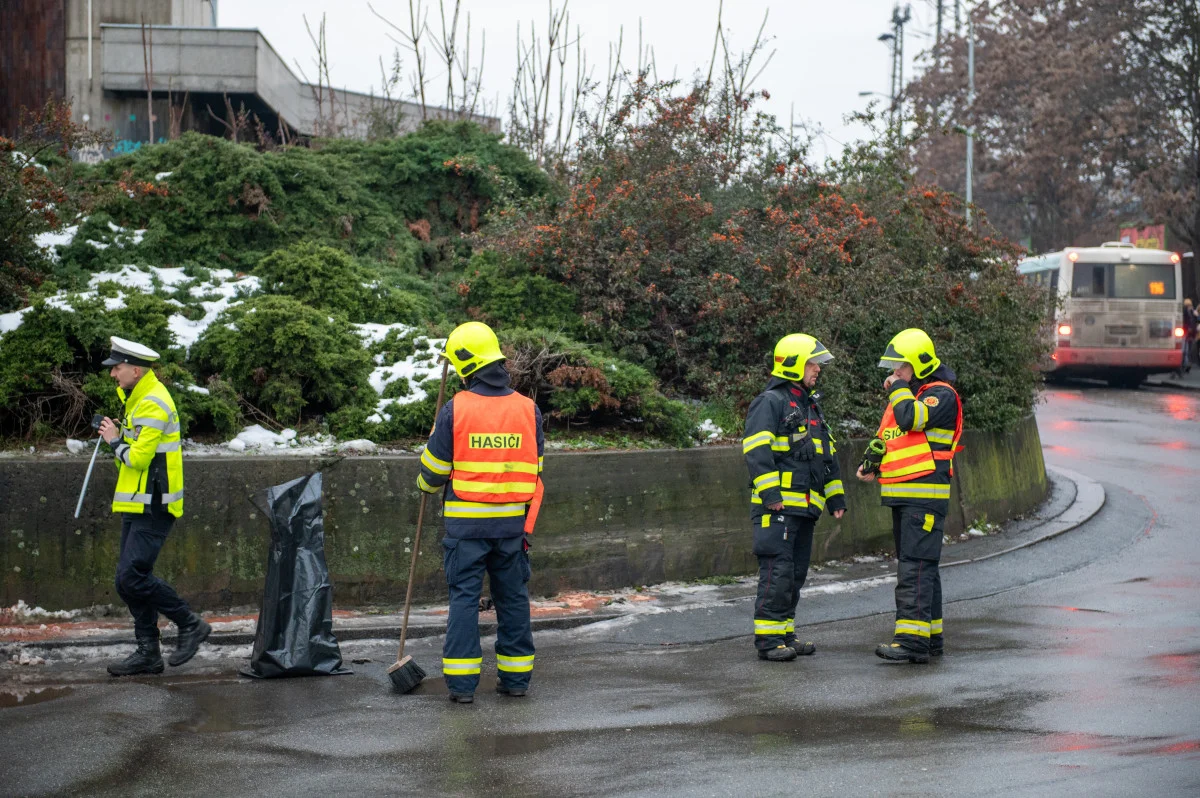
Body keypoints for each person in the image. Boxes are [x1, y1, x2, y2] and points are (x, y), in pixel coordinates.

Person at [417, 322, 543, 703]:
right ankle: (517, 681)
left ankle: (462, 688)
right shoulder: (527, 409)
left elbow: (435, 472)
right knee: (513, 601)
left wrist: (424, 481)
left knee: (464, 601)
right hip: (511, 529)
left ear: (464, 364)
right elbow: (535, 470)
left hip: (466, 532)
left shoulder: (456, 409)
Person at [97, 336, 210, 676]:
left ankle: (190, 624)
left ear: (135, 369)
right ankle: (148, 652)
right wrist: (118, 438)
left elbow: (138, 457)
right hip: (138, 503)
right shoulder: (138, 398)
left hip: (155, 504)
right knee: (126, 580)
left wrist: (114, 440)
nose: (113, 375)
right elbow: (131, 458)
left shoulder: (151, 402)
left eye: (117, 368)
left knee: (132, 576)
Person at [856, 328, 962, 664]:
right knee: (921, 567)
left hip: (924, 497)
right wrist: (872, 463)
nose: (894, 374)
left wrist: (899, 389)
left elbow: (911, 419)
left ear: (917, 365)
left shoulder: (939, 395)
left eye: (900, 368)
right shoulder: (912, 395)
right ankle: (929, 638)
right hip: (905, 497)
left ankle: (911, 642)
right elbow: (892, 438)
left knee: (915, 568)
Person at [742, 334, 847, 662]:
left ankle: (785, 633)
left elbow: (826, 455)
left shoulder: (811, 406)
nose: (817, 369)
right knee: (778, 571)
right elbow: (756, 452)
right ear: (793, 364)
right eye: (812, 363)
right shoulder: (770, 402)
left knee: (795, 573)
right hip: (778, 508)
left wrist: (836, 499)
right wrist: (771, 494)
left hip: (803, 509)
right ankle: (768, 641)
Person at [1182, 299, 1196, 373]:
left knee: (1187, 349)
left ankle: (1186, 364)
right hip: (1188, 332)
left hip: (1189, 333)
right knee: (1186, 349)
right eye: (1189, 305)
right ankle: (1186, 363)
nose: (1190, 306)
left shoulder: (1191, 312)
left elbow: (1195, 319)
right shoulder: (1188, 311)